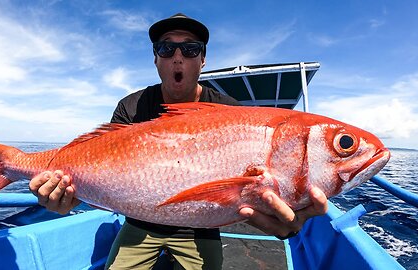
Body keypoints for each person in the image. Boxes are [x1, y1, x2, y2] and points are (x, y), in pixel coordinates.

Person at [29, 13, 328, 270]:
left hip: (199, 229)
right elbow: (104, 168)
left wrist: (281, 220)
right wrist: (69, 195)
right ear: (156, 58)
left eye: (189, 48)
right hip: (139, 223)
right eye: (166, 48)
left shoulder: (229, 110)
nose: (177, 57)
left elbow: (243, 191)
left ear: (202, 59)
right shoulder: (131, 107)